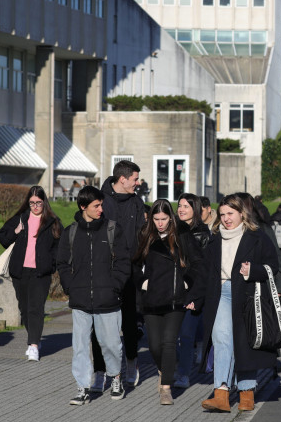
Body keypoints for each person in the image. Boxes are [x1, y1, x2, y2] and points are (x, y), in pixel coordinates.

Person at [188, 194, 280, 413]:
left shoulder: (257, 237)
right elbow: (204, 273)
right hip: (220, 293)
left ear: (242, 213)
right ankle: (221, 392)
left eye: (231, 213)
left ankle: (247, 392)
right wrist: (194, 298)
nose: (227, 218)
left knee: (244, 341)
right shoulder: (215, 239)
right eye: (222, 215)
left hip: (247, 295)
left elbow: (273, 266)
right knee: (221, 339)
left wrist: (253, 271)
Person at [56, 186, 131, 405]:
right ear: (83, 207)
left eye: (102, 205)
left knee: (111, 345)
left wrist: (114, 286)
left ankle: (115, 377)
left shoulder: (112, 229)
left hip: (108, 300)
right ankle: (82, 386)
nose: (101, 209)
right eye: (96, 206)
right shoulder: (70, 232)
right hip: (80, 301)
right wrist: (70, 286)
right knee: (80, 347)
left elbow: (123, 262)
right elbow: (62, 263)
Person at [134, 199, 202, 405]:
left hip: (175, 298)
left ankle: (166, 387)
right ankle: (164, 368)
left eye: (164, 219)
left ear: (170, 217)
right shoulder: (145, 235)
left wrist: (187, 282)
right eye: (156, 219)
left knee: (169, 342)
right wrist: (142, 282)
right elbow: (134, 264)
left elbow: (198, 262)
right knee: (154, 345)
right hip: (152, 299)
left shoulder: (181, 234)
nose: (160, 223)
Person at [90, 160, 146, 391]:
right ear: (122, 179)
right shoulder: (101, 200)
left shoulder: (137, 203)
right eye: (135, 179)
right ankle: (99, 372)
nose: (138, 183)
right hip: (105, 272)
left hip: (131, 271)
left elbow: (144, 234)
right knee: (100, 326)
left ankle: (131, 362)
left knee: (131, 324)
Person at [0, 186, 63, 362]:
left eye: (38, 203)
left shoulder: (52, 221)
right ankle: (34, 337)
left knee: (36, 309)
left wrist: (52, 263)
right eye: (32, 203)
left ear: (44, 202)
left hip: (41, 273)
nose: (35, 206)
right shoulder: (21, 218)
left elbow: (60, 245)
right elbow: (3, 238)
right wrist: (16, 232)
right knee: (24, 309)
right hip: (20, 271)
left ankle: (33, 345)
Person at [174, 193, 210, 389]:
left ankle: (184, 374)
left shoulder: (203, 234)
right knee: (172, 336)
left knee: (187, 335)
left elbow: (204, 270)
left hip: (194, 293)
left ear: (195, 209)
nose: (181, 209)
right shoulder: (173, 231)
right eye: (179, 205)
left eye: (186, 206)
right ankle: (175, 367)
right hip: (174, 291)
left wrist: (196, 297)